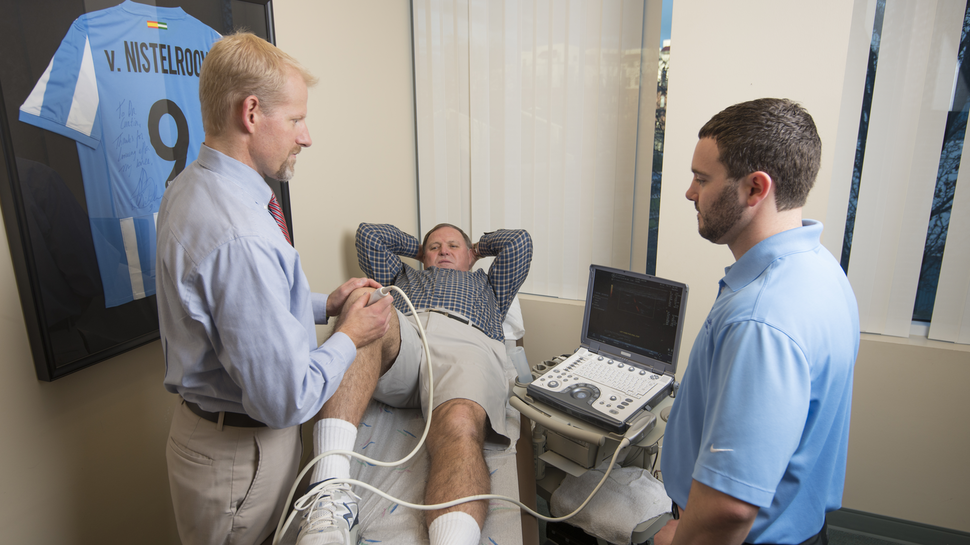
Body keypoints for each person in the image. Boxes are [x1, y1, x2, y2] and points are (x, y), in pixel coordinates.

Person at [156, 32, 395, 545]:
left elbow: (229, 307)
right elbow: (286, 399)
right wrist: (349, 335)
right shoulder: (241, 235)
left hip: (215, 439)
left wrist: (322, 305)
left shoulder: (189, 187)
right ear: (250, 113)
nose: (305, 136)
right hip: (240, 458)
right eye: (295, 119)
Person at [654, 98, 860, 545]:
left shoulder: (762, 319)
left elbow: (729, 508)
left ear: (754, 188)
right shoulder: (820, 267)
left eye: (702, 179)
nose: (690, 193)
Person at [294, 222, 533, 545]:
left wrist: (476, 248)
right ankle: (329, 492)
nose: (443, 251)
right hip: (406, 340)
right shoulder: (401, 277)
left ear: (471, 256)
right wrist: (420, 251)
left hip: (465, 345)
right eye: (434, 247)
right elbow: (370, 236)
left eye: (452, 246)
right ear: (422, 256)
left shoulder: (490, 285)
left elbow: (518, 243)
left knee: (460, 422)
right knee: (365, 299)